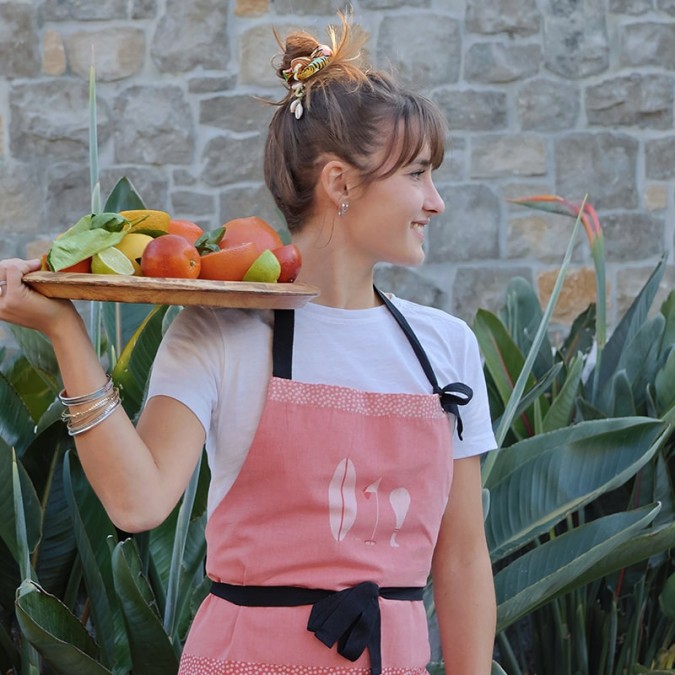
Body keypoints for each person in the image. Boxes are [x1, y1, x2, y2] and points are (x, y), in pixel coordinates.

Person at [0, 14, 497, 675]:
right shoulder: (221, 330)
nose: (434, 201)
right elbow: (137, 500)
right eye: (415, 174)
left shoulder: (447, 348)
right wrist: (64, 329)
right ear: (340, 184)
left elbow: (461, 557)